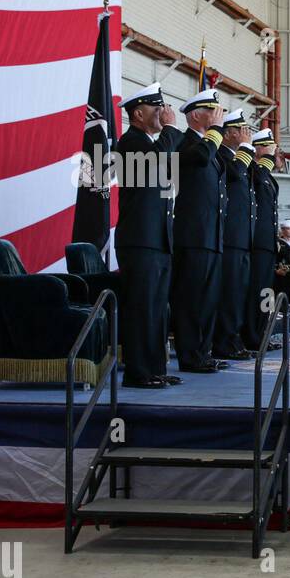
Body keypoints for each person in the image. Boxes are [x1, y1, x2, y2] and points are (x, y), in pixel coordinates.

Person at [113, 82, 179, 389]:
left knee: (157, 309)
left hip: (156, 240)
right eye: (157, 108)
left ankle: (155, 368)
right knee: (141, 309)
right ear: (138, 114)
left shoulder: (150, 143)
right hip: (139, 240)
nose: (163, 112)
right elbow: (157, 161)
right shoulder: (130, 143)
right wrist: (169, 129)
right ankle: (138, 372)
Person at [169, 88, 228, 374]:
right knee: (191, 298)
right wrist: (216, 131)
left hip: (210, 235)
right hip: (192, 235)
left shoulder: (209, 146)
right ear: (195, 115)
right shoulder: (184, 143)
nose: (217, 116)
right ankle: (190, 355)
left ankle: (203, 351)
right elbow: (202, 157)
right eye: (211, 111)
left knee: (207, 298)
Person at [211, 111, 255, 361]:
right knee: (229, 293)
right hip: (228, 237)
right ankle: (224, 341)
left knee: (238, 293)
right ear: (227, 134)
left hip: (240, 238)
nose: (245, 133)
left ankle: (233, 338)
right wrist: (247, 150)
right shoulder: (222, 157)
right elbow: (235, 175)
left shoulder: (238, 158)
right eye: (240, 129)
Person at [246, 128, 280, 350]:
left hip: (267, 243)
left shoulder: (267, 176)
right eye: (269, 149)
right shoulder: (253, 171)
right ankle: (252, 336)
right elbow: (256, 177)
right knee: (255, 291)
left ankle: (262, 334)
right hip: (256, 242)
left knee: (265, 293)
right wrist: (266, 157)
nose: (275, 154)